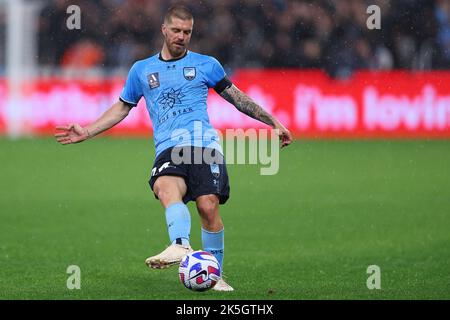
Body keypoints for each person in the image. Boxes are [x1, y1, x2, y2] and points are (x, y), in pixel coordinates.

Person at [55, 4, 292, 292]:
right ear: (164, 30)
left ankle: (214, 275)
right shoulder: (141, 70)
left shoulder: (207, 64)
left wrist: (272, 121)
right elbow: (122, 107)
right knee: (167, 189)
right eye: (177, 30)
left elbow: (237, 97)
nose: (181, 36)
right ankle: (180, 245)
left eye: (187, 32)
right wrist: (88, 130)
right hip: (168, 147)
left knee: (208, 207)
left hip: (204, 145)